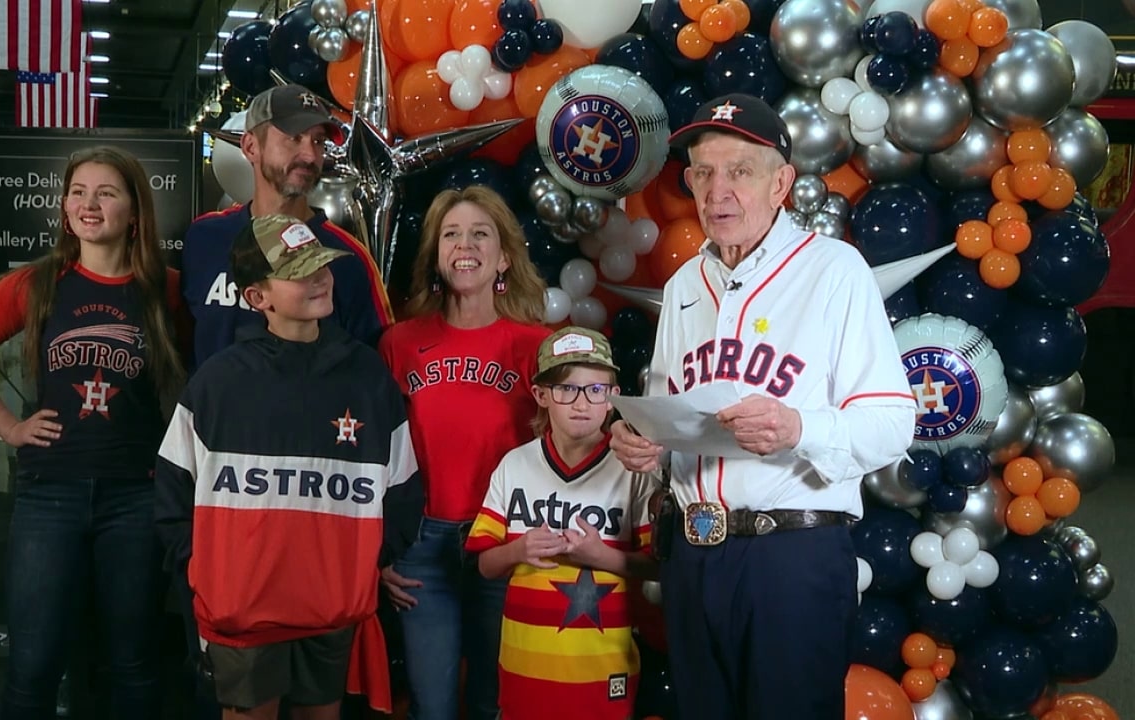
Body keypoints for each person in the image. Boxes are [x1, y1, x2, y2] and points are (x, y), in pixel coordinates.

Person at [609, 93, 916, 719]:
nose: (718, 190)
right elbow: (673, 416)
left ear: (781, 184)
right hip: (693, 553)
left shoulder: (835, 270)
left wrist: (797, 427)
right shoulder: (682, 286)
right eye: (703, 172)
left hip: (791, 558)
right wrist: (644, 444)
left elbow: (893, 423)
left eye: (740, 171)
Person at [0, 146, 186, 720]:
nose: (89, 204)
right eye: (78, 192)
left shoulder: (166, 290)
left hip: (137, 494)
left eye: (106, 192)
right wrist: (10, 427)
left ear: (134, 211)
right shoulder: (38, 283)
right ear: (64, 207)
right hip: (50, 495)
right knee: (34, 665)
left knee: (133, 664)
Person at [154, 213, 423, 720]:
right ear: (257, 298)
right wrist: (208, 571)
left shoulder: (367, 377)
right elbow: (173, 490)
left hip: (331, 610)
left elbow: (404, 486)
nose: (320, 277)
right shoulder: (218, 383)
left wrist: (360, 564)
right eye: (299, 270)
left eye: (321, 264)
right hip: (243, 613)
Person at [376, 185, 550, 720]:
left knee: (495, 703)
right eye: (450, 234)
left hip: (504, 540)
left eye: (480, 234)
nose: (464, 245)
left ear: (503, 257)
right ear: (434, 253)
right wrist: (379, 555)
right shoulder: (400, 343)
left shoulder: (536, 344)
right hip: (423, 546)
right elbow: (376, 457)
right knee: (432, 706)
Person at [466, 326, 658, 720]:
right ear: (541, 395)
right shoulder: (515, 466)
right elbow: (483, 565)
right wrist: (518, 549)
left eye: (595, 390)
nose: (580, 403)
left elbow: (658, 565)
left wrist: (600, 556)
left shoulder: (632, 471)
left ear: (613, 398)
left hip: (603, 669)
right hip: (525, 669)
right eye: (565, 389)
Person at [182, 84, 393, 370]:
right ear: (250, 146)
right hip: (213, 411)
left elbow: (373, 369)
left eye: (318, 141)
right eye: (294, 138)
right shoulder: (205, 238)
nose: (309, 156)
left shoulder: (347, 258)